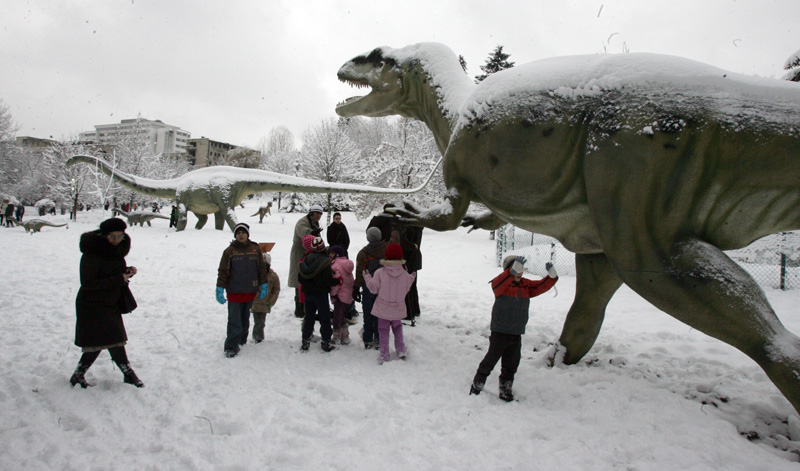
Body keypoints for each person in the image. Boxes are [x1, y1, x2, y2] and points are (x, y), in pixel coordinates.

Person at [470, 256, 559, 402]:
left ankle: (505, 390)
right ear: (508, 270)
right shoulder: (500, 285)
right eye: (516, 269)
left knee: (511, 364)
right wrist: (510, 273)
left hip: (516, 333)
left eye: (521, 270)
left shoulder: (525, 286)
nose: (519, 273)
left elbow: (540, 286)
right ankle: (477, 384)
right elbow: (500, 281)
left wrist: (552, 277)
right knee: (491, 360)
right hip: (500, 331)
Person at [69, 217, 144, 389]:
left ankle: (80, 374)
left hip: (110, 302)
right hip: (92, 304)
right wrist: (119, 278)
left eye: (120, 236)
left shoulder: (116, 251)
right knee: (103, 342)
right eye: (112, 237)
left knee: (113, 340)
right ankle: (128, 374)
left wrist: (126, 272)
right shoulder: (91, 254)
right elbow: (88, 284)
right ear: (103, 236)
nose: (116, 240)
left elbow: (111, 273)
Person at [216, 222, 269, 358]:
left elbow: (261, 269)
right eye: (238, 233)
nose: (241, 235)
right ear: (235, 235)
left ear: (247, 234)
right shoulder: (229, 251)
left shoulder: (255, 249)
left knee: (245, 318)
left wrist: (263, 284)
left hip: (250, 290)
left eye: (243, 232)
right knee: (234, 320)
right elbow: (223, 271)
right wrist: (220, 287)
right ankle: (231, 347)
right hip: (234, 291)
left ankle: (241, 340)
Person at [364, 243, 416, 364]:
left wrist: (367, 277)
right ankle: (401, 350)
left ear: (386, 256)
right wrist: (412, 277)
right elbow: (406, 289)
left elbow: (374, 289)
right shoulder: (404, 274)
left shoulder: (379, 272)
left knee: (383, 330)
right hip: (398, 308)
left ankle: (384, 354)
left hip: (383, 308)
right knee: (397, 328)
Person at [297, 235, 338, 352]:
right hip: (321, 294)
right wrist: (337, 281)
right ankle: (326, 341)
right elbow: (327, 280)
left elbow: (300, 279)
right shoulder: (325, 262)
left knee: (309, 318)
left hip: (308, 294)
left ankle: (305, 341)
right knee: (324, 318)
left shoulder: (305, 260)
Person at [354, 227, 388, 349]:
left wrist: (356, 287)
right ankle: (379, 338)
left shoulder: (363, 253)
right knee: (381, 314)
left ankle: (368, 338)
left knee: (368, 313)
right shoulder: (386, 250)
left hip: (368, 287)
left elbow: (360, 272)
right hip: (384, 287)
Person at [288, 205, 323, 318]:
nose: (318, 215)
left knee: (307, 281)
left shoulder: (314, 223)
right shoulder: (302, 222)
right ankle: (299, 309)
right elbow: (303, 232)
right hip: (299, 253)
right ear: (311, 213)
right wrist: (311, 233)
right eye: (316, 213)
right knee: (299, 281)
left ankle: (307, 308)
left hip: (309, 253)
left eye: (320, 214)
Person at [249, 252, 281, 343]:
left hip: (265, 303)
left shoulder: (273, 276)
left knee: (260, 322)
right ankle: (256, 337)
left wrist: (271, 302)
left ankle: (258, 337)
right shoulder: (252, 274)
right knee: (258, 321)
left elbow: (276, 290)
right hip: (255, 302)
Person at [329, 245, 354, 345]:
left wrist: (333, 294)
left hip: (339, 295)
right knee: (341, 315)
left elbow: (337, 282)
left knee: (336, 317)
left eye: (332, 253)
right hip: (347, 294)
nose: (330, 255)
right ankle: (344, 335)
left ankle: (336, 336)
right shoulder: (345, 264)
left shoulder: (335, 266)